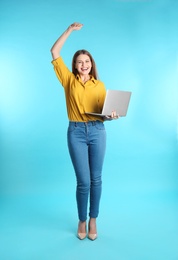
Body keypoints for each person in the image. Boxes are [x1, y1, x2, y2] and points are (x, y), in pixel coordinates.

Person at [50, 22, 118, 241]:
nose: (83, 64)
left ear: (92, 64)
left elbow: (102, 112)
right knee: (84, 181)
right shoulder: (68, 80)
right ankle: (81, 219)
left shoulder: (100, 85)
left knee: (96, 179)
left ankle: (93, 219)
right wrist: (69, 30)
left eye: (87, 61)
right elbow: (54, 51)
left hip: (98, 131)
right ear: (75, 65)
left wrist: (111, 115)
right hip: (76, 132)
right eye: (80, 62)